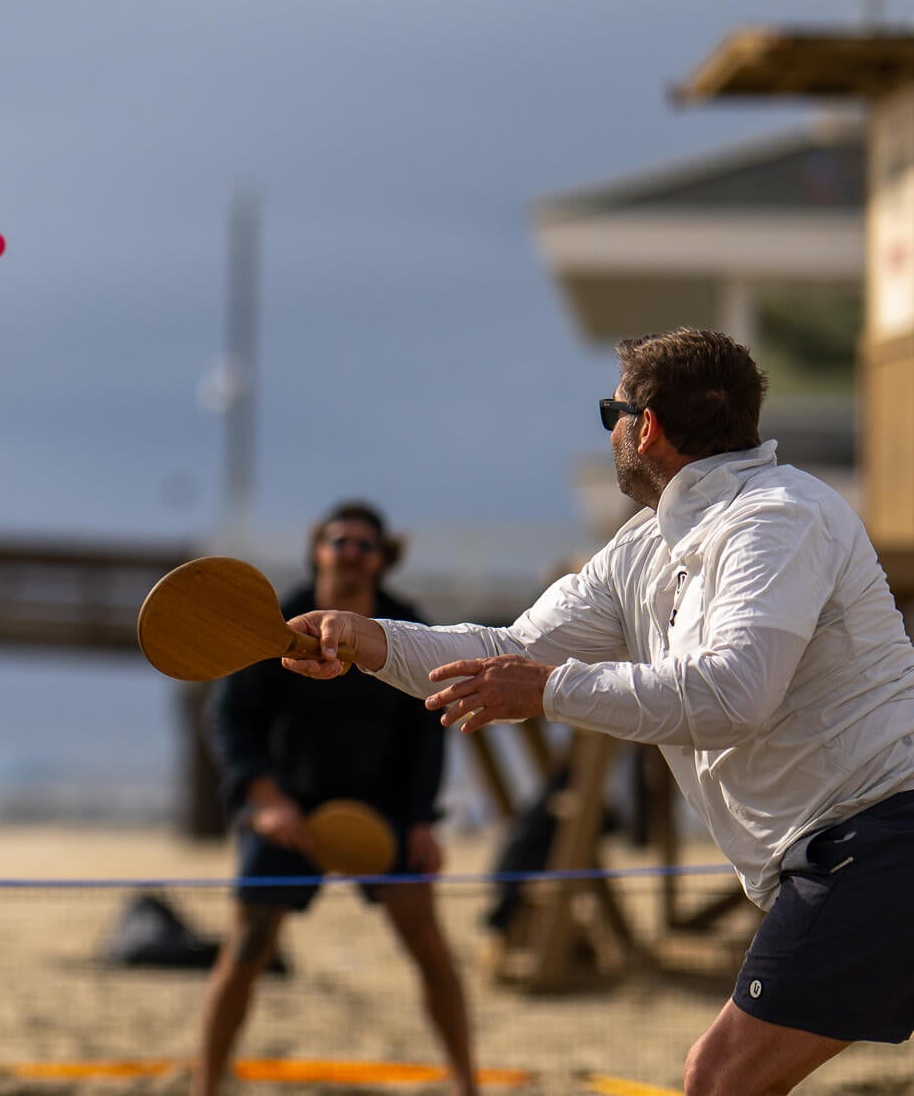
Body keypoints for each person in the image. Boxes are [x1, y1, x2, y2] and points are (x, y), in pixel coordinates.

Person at [287, 328, 914, 1096]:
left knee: (718, 1078)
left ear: (645, 426)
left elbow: (730, 695)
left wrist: (548, 690)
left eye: (608, 411)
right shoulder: (643, 548)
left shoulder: (778, 518)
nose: (610, 428)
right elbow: (505, 648)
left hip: (879, 839)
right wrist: (365, 639)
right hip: (859, 845)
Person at [194, 503, 477, 1096]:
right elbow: (231, 721)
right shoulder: (277, 627)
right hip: (289, 806)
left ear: (382, 558)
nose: (350, 552)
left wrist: (423, 822)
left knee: (427, 945)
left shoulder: (405, 629)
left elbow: (428, 733)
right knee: (245, 949)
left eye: (364, 545)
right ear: (317, 549)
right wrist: (266, 800)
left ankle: (467, 1084)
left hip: (386, 807)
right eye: (339, 540)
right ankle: (205, 1085)